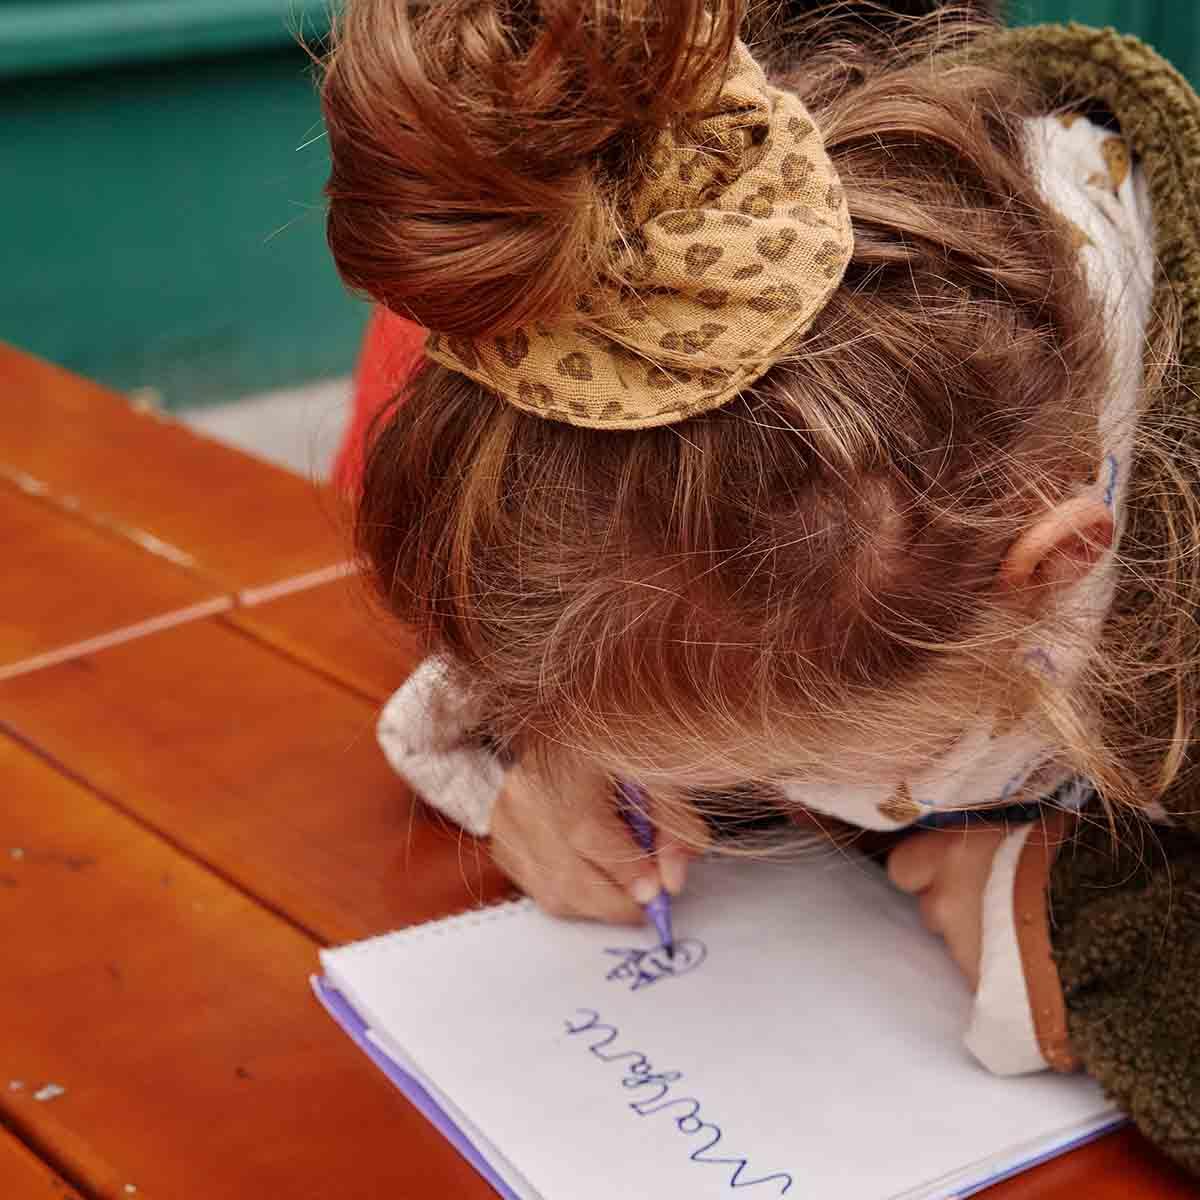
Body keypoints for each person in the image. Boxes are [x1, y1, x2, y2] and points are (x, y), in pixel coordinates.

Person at [322, 1, 1200, 1169]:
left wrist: (1086, 932)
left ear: (1052, 574)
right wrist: (563, 737)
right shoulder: (640, 324)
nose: (746, 796)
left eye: (770, 767)